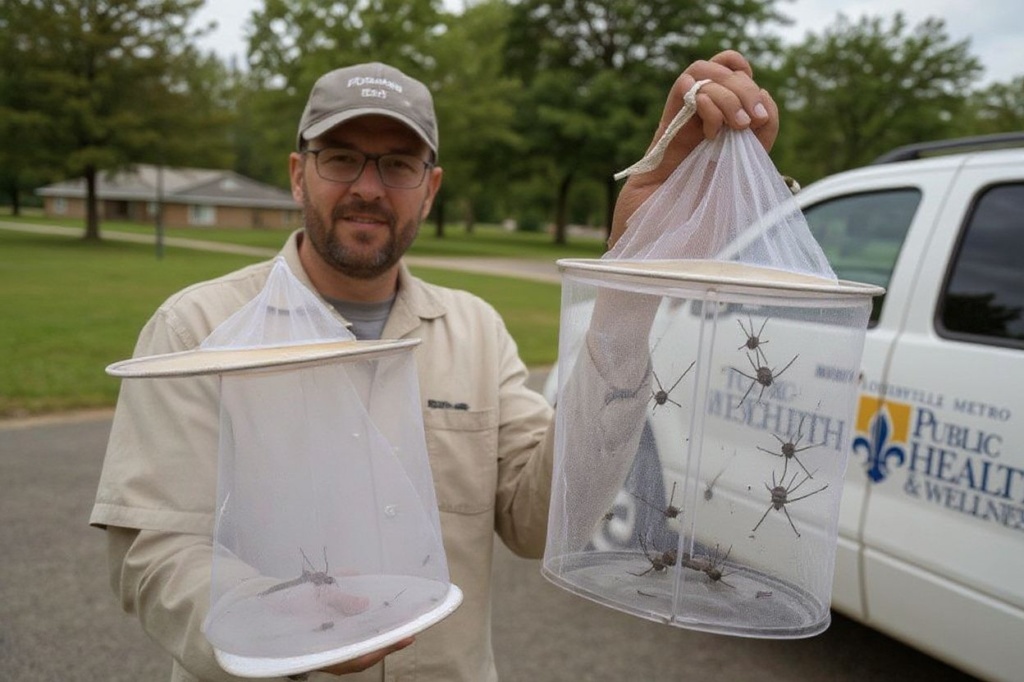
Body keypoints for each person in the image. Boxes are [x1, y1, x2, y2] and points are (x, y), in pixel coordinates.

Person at [91, 52, 778, 682]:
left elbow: (540, 521)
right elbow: (154, 548)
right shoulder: (195, 330)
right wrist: (274, 625)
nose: (369, 187)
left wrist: (634, 281)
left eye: (398, 164)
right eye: (341, 158)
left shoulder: (476, 331)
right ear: (298, 172)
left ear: (431, 187)